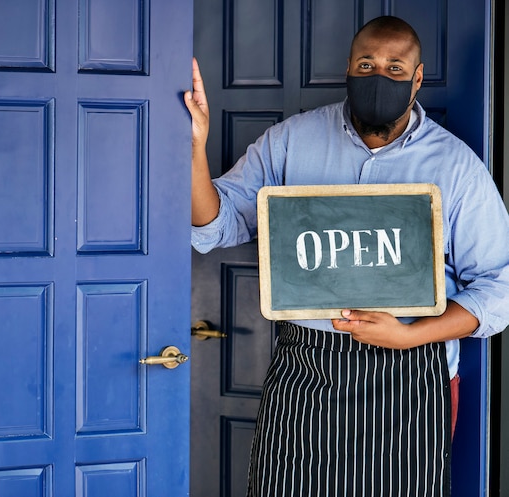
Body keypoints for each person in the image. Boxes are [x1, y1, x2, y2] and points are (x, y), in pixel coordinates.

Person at [184, 16, 509, 497]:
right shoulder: (291, 141)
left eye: (396, 68)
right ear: (349, 70)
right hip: (306, 373)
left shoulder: (456, 167)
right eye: (368, 64)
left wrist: (409, 335)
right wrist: (194, 148)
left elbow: (498, 291)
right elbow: (216, 225)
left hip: (410, 377)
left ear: (418, 79)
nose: (380, 76)